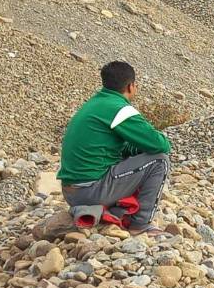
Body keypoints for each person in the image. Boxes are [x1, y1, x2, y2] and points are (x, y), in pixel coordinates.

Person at [58, 61, 172, 235]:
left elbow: (115, 147)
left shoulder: (95, 103)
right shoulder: (119, 109)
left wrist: (134, 149)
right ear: (130, 86)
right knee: (160, 161)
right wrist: (142, 146)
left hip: (71, 191)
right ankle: (140, 224)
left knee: (129, 158)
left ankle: (113, 212)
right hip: (90, 191)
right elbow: (160, 144)